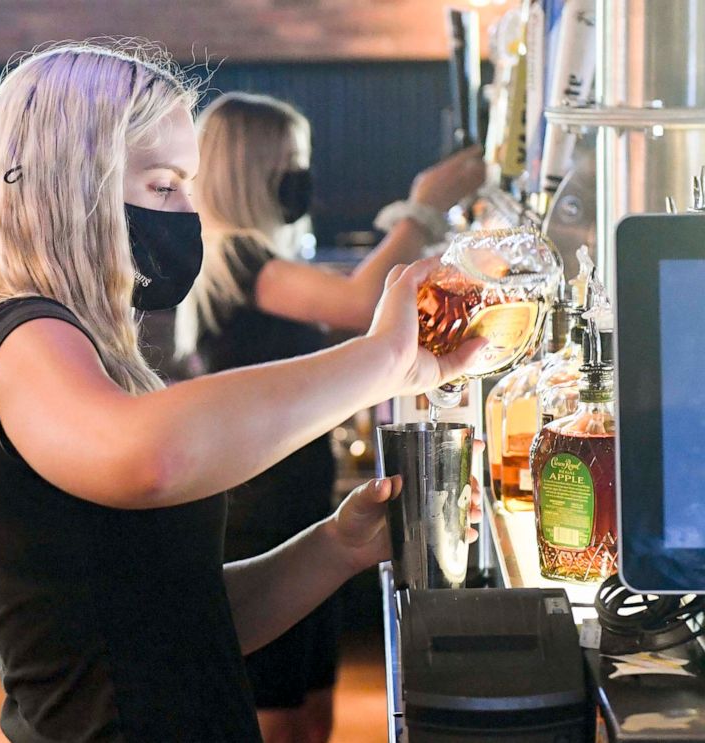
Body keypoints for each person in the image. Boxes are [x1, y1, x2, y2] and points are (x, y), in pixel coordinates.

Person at [0, 42, 485, 743]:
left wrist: (333, 547)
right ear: (71, 187)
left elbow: (182, 624)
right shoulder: (21, 334)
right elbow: (150, 458)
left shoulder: (92, 350)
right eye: (163, 187)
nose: (190, 211)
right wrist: (382, 360)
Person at [174, 92, 485, 743]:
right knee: (276, 714)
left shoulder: (260, 255)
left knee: (312, 707)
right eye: (288, 163)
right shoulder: (236, 257)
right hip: (258, 511)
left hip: (295, 496)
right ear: (247, 171)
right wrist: (422, 206)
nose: (299, 177)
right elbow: (357, 303)